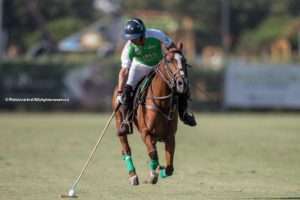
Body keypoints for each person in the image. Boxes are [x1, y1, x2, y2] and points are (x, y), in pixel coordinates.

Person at [116, 18, 196, 135]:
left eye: (135, 38)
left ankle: (184, 114)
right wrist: (120, 91)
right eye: (130, 38)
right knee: (128, 92)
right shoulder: (128, 48)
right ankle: (127, 121)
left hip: (159, 66)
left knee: (180, 85)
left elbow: (171, 47)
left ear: (143, 34)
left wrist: (174, 57)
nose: (133, 41)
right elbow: (124, 71)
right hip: (139, 67)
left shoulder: (156, 34)